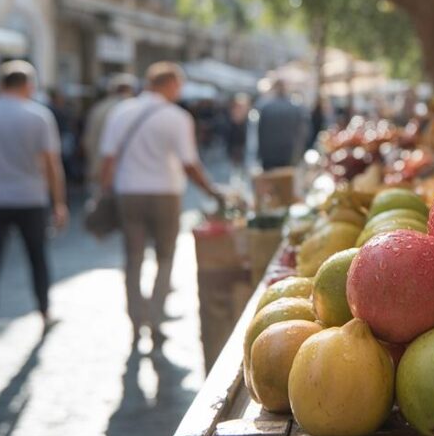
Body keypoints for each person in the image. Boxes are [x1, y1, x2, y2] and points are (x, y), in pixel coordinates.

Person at [98, 62, 225, 350]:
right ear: (170, 84)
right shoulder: (176, 117)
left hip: (128, 192)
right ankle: (154, 319)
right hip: (166, 193)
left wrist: (104, 190)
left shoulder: (121, 112)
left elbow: (107, 160)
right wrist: (211, 190)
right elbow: (189, 163)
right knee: (165, 257)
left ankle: (135, 319)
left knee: (133, 257)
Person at [0, 60, 67, 360]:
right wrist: (59, 202)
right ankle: (45, 312)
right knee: (37, 258)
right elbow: (51, 164)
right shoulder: (38, 116)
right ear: (28, 85)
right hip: (29, 198)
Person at [81, 73, 136, 187]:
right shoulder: (132, 109)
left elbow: (87, 141)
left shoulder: (98, 109)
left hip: (98, 170)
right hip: (125, 174)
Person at [252, 80, 307, 170]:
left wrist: (259, 154)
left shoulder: (266, 108)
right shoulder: (295, 109)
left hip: (268, 156)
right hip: (288, 155)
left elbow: (260, 133)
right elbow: (301, 133)